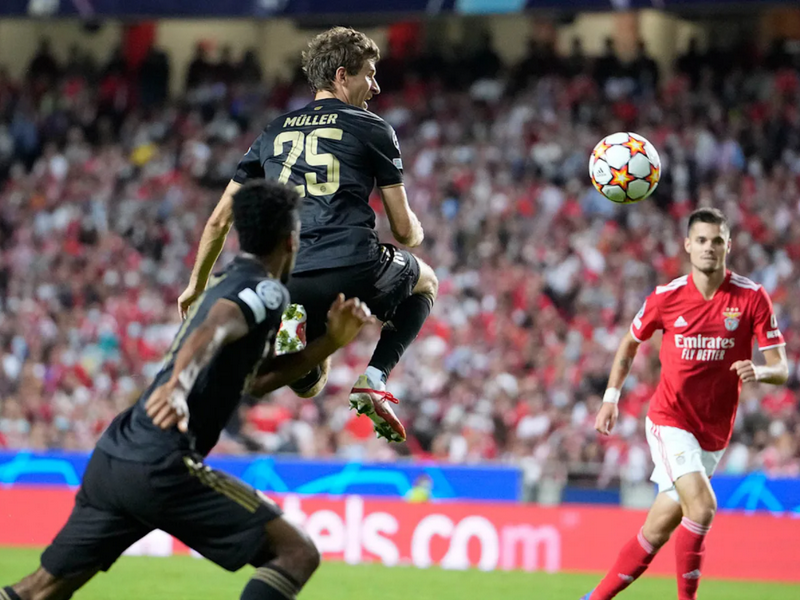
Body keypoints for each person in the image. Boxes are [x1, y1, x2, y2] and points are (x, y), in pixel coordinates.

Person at [3, 180, 374, 600]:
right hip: (161, 464)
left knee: (36, 592)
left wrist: (330, 342)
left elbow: (256, 380)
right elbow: (219, 324)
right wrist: (178, 385)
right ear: (292, 240)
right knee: (296, 553)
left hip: (116, 456)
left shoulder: (226, 278)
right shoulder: (268, 291)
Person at [177, 27, 438, 443]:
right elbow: (405, 232)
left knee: (308, 381)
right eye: (369, 74)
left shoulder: (273, 131)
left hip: (287, 277)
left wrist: (196, 283)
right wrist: (419, 232)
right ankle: (374, 378)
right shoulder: (374, 128)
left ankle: (298, 334)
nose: (376, 85)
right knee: (426, 280)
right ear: (341, 75)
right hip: (352, 266)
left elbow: (218, 221)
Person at [581, 208, 788, 600]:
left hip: (714, 433)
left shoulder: (751, 297)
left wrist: (758, 372)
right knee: (704, 507)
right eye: (702, 240)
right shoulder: (666, 297)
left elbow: (781, 367)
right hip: (669, 420)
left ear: (729, 245)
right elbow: (629, 342)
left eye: (717, 241)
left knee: (656, 532)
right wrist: (611, 398)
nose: (709, 248)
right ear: (688, 245)